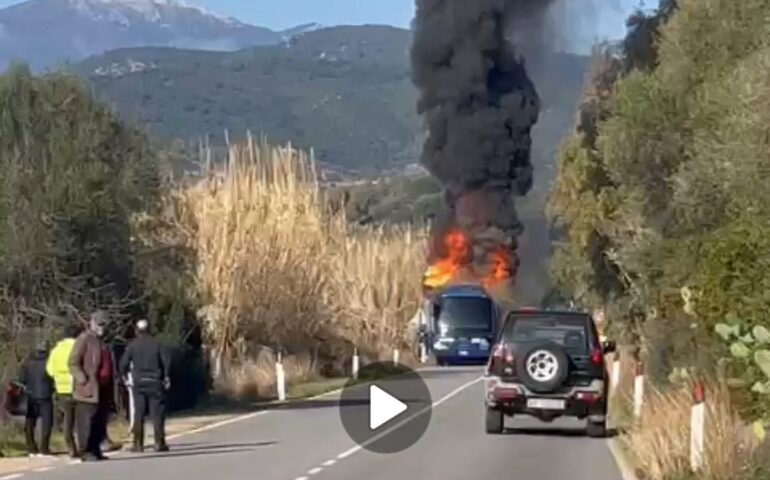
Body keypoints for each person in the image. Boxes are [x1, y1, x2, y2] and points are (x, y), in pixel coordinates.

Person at [68, 311, 115, 462]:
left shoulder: (103, 342)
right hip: (88, 389)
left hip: (103, 389)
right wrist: (82, 379)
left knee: (99, 423)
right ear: (92, 323)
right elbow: (73, 362)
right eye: (100, 324)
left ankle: (95, 449)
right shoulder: (84, 339)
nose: (103, 327)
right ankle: (85, 451)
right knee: (86, 423)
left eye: (105, 324)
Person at [119, 319, 171, 453]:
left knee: (139, 413)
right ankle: (159, 443)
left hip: (139, 382)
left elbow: (123, 364)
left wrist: (124, 377)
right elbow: (166, 362)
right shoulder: (157, 344)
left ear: (137, 331)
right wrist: (166, 376)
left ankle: (138, 444)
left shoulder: (132, 345)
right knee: (157, 414)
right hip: (155, 381)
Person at [46, 323, 82, 458]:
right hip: (78, 387)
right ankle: (85, 445)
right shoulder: (79, 348)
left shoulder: (56, 350)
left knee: (68, 421)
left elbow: (49, 370)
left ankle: (71, 447)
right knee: (82, 419)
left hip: (62, 388)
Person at [18, 340, 55, 457]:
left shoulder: (27, 362)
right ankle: (44, 448)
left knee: (29, 422)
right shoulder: (49, 362)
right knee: (47, 422)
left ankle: (31, 447)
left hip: (30, 395)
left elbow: (21, 380)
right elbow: (53, 378)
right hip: (45, 394)